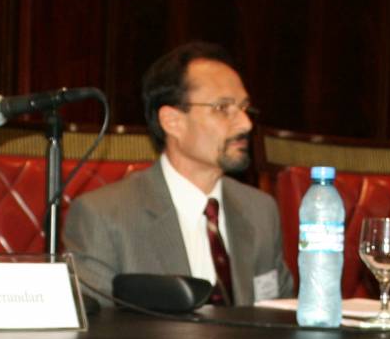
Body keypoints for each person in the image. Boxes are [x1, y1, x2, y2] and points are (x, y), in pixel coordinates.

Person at [63, 41, 294, 307]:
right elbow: (97, 337)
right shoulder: (104, 216)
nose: (246, 123)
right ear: (172, 121)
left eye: (244, 108)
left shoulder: (260, 210)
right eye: (223, 108)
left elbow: (280, 317)